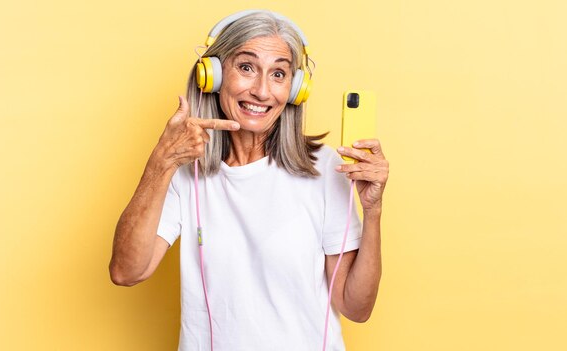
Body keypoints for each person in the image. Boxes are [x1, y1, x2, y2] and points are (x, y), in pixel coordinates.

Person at [109, 10, 389, 351]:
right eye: (246, 67)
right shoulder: (185, 170)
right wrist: (160, 162)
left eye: (278, 74)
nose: (261, 91)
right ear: (211, 76)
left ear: (295, 89)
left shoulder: (324, 167)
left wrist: (372, 211)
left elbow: (356, 307)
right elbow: (126, 271)